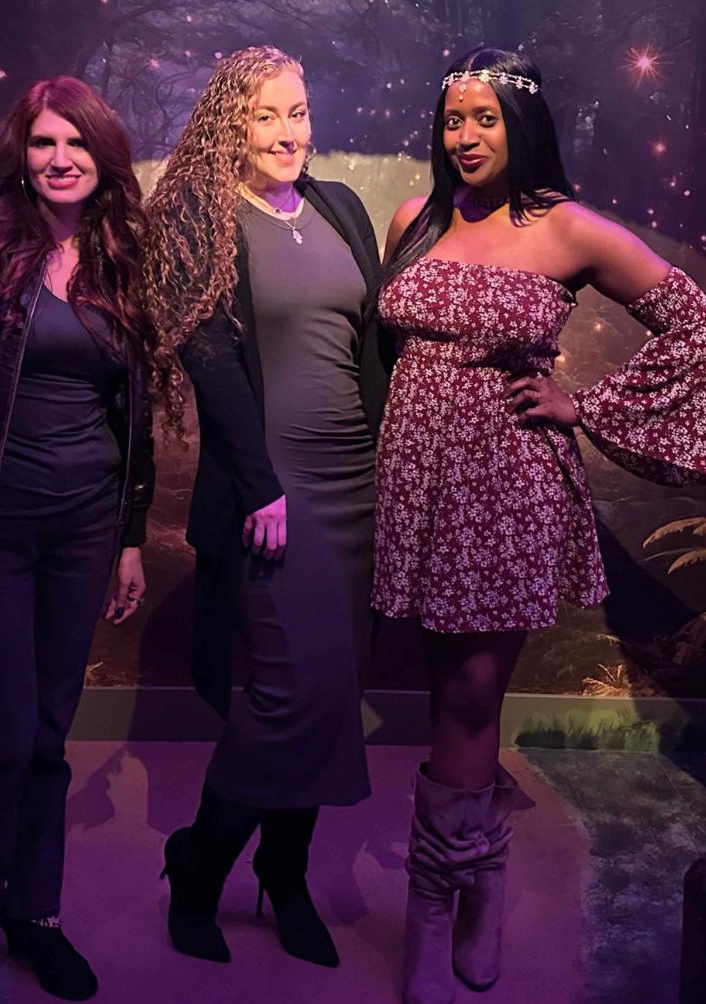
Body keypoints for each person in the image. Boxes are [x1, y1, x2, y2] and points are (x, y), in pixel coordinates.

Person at [375, 46, 706, 1004]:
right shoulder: (414, 217)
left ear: (522, 125)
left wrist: (585, 406)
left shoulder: (567, 228)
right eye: (453, 119)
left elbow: (694, 321)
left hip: (507, 486)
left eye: (485, 118)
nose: (465, 136)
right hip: (418, 483)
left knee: (473, 694)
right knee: (444, 685)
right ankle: (477, 873)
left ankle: (440, 900)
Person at [0, 75, 162, 1004]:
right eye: (44, 143)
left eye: (76, 144)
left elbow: (136, 412)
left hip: (84, 529)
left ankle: (35, 915)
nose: (60, 160)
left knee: (50, 734)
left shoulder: (123, 258)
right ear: (21, 154)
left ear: (103, 157)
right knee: (1, 737)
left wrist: (129, 536)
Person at [138, 45, 389, 971]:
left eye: (298, 112)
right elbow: (208, 362)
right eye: (265, 115)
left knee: (331, 696)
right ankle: (199, 865)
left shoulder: (340, 206)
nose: (288, 133)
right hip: (274, 492)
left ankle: (285, 875)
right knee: (288, 695)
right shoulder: (198, 218)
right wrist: (262, 485)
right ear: (228, 126)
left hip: (356, 483)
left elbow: (371, 347)